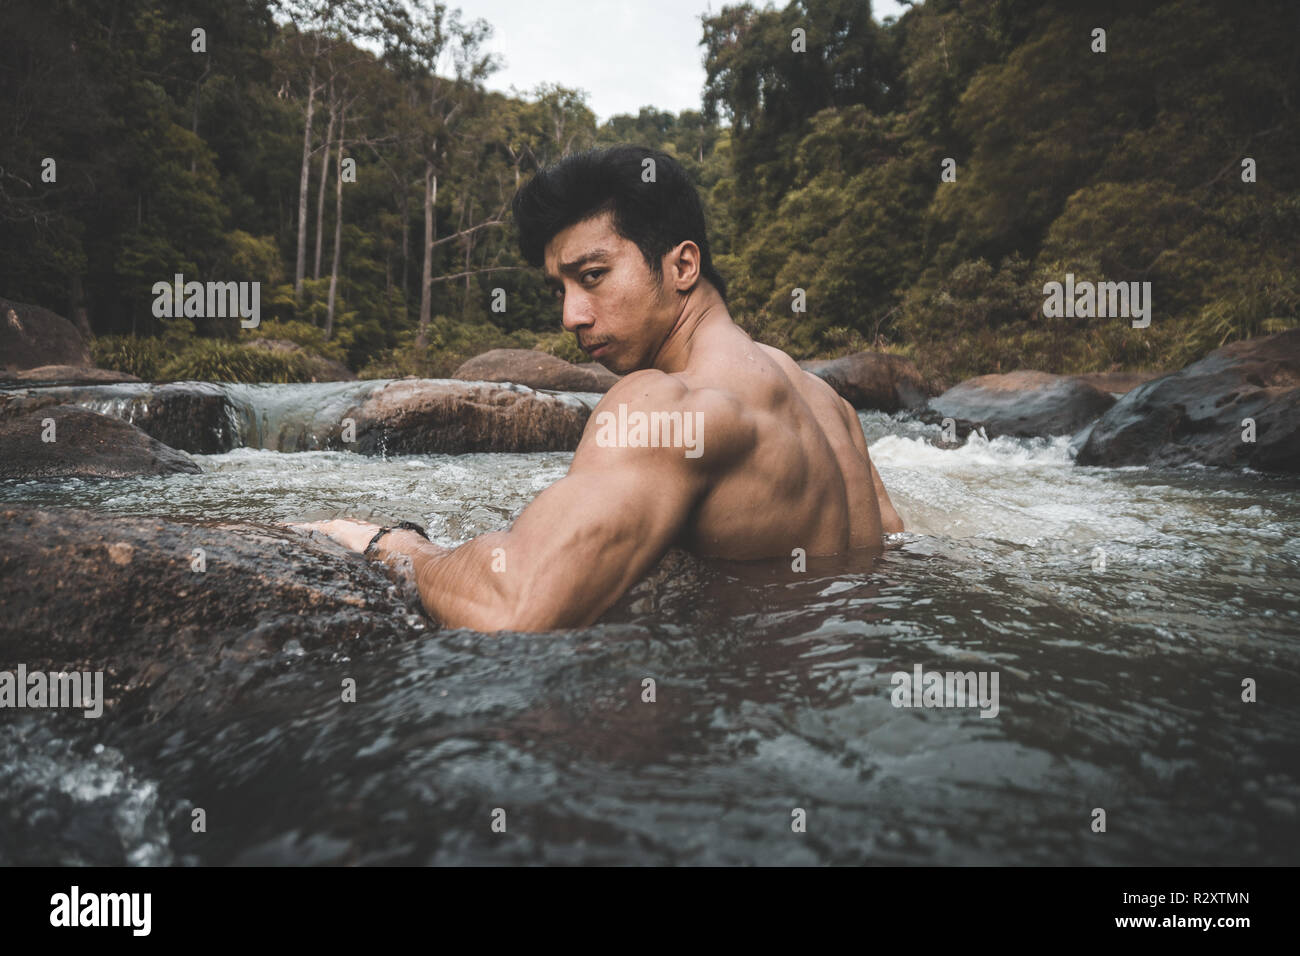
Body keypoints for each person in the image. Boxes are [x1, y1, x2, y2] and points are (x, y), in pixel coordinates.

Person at [294, 145, 903, 631]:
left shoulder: (666, 404)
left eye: (592, 276)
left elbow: (517, 607)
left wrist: (394, 546)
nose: (571, 316)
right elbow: (893, 551)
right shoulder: (828, 404)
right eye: (561, 289)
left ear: (682, 266)